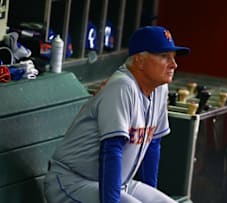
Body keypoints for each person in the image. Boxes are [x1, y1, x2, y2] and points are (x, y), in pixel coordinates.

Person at [44, 26, 190, 203]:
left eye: (173, 57)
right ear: (139, 60)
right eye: (164, 56)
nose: (174, 64)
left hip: (119, 183)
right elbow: (111, 150)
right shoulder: (122, 87)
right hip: (72, 182)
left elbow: (153, 145)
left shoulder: (159, 89)